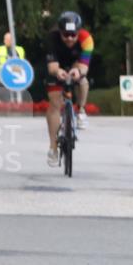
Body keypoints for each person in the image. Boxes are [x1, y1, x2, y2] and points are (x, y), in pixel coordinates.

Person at [44, 11, 93, 166]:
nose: (70, 38)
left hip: (75, 64)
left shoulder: (87, 39)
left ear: (79, 32)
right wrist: (58, 72)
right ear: (60, 32)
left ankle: (81, 111)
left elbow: (84, 65)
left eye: (73, 35)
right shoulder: (52, 39)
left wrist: (78, 72)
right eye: (66, 35)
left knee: (83, 81)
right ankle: (53, 148)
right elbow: (52, 67)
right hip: (57, 65)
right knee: (54, 105)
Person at [0, 32, 27, 103]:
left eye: (9, 39)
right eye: (6, 39)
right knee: (4, 97)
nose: (7, 41)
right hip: (3, 77)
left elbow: (24, 63)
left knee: (17, 98)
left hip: (17, 78)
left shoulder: (20, 50)